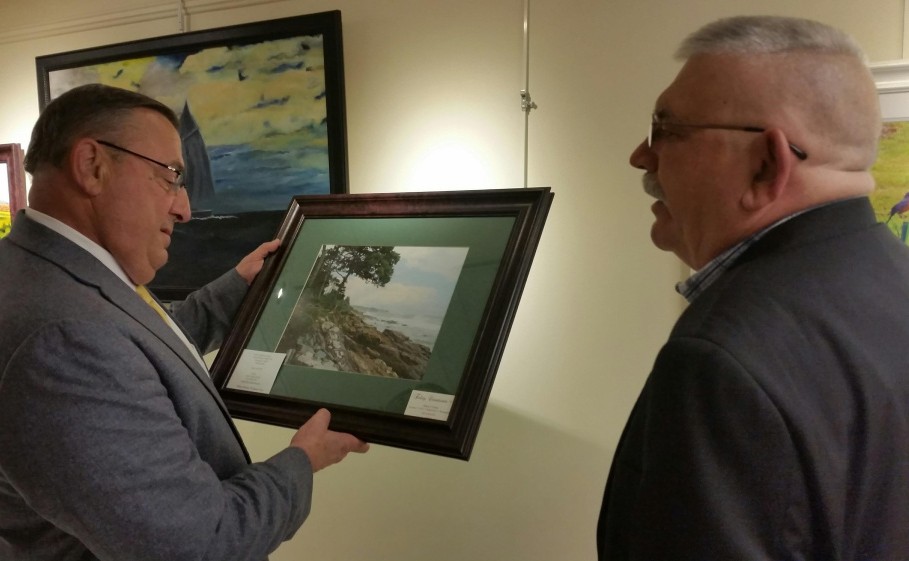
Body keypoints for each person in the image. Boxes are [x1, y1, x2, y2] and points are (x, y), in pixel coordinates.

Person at [0, 83, 369, 561]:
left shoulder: (51, 270)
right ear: (92, 166)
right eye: (170, 175)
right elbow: (200, 545)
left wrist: (238, 284)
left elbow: (136, 346)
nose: (185, 208)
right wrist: (302, 461)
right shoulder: (62, 338)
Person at [598, 15, 909, 560]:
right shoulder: (894, 283)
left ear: (767, 163)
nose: (641, 156)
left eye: (665, 130)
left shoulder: (722, 358)